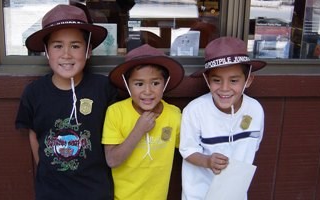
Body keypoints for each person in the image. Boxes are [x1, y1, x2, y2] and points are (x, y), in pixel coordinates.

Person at [15, 4, 118, 200]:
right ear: (46, 51)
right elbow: (34, 135)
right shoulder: (34, 93)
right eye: (58, 46)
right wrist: (47, 172)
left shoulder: (103, 88)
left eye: (75, 46)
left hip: (95, 191)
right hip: (51, 192)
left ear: (88, 51)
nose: (66, 54)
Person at [179, 36, 267, 200]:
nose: (224, 88)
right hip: (198, 194)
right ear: (207, 80)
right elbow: (187, 150)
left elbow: (254, 145)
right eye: (217, 80)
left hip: (235, 194)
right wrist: (207, 161)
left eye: (234, 80)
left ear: (248, 80)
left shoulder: (255, 109)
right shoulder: (195, 110)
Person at [101, 44, 185, 200]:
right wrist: (138, 130)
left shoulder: (174, 115)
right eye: (139, 84)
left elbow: (189, 149)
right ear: (128, 85)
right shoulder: (116, 112)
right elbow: (112, 160)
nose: (148, 91)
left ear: (165, 84)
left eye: (155, 83)